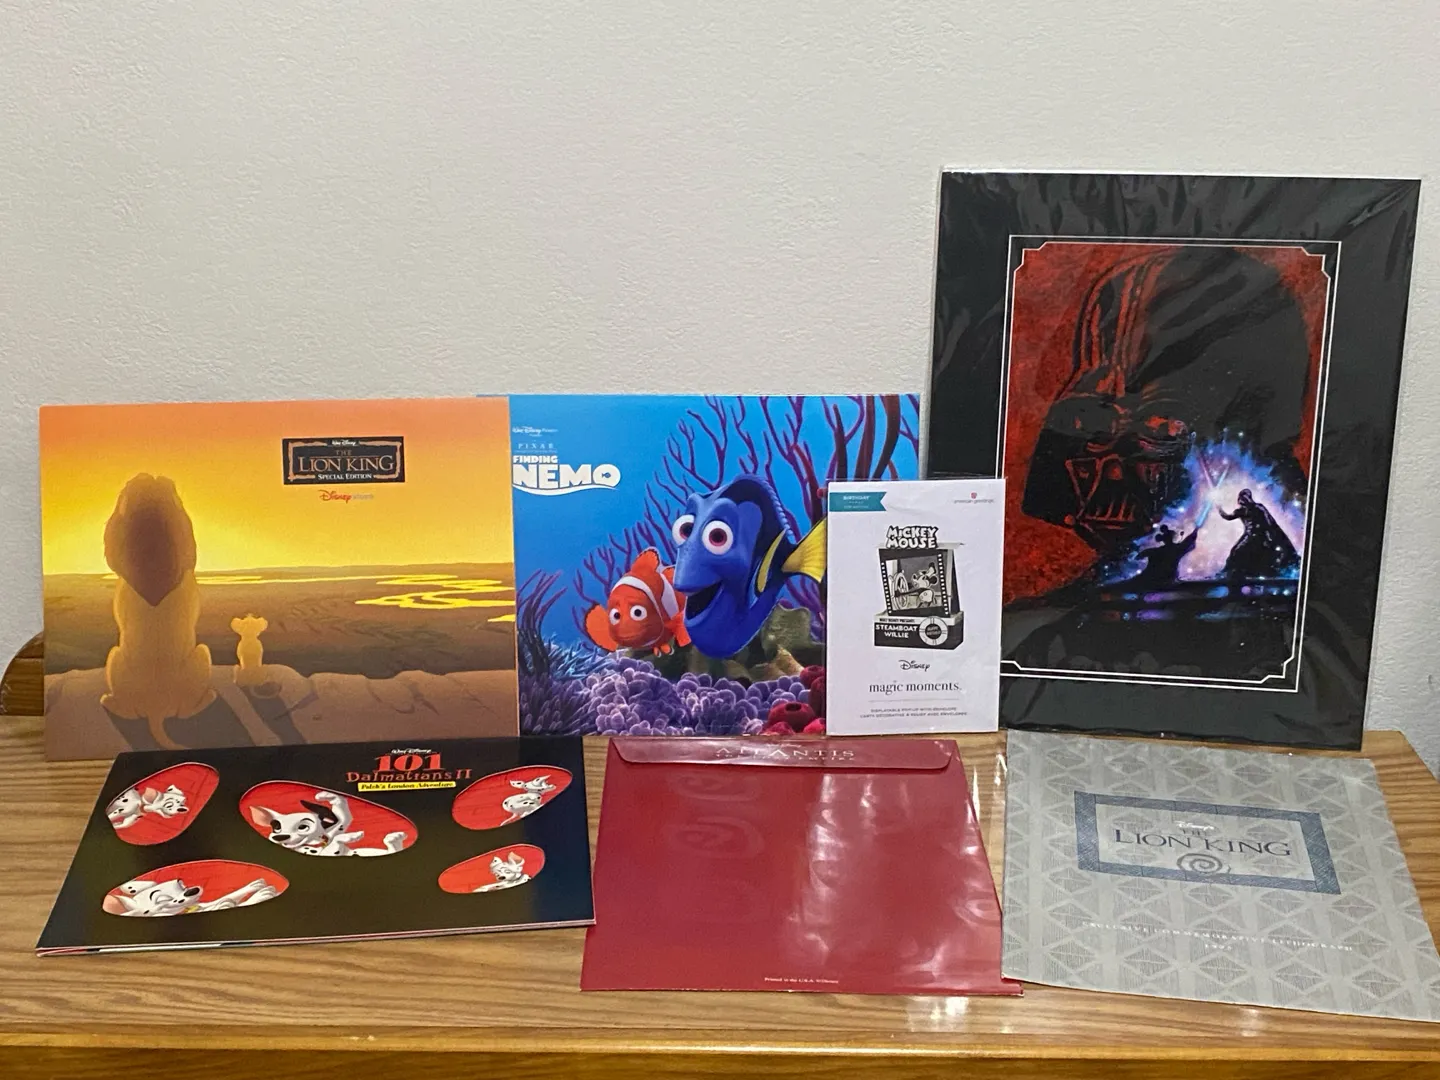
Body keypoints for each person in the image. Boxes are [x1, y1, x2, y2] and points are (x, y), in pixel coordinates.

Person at [1218, 489, 1299, 579]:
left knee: (1261, 553)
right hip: (1249, 535)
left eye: (1246, 497)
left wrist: (1270, 534)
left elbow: (1268, 520)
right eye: (1242, 498)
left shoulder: (1258, 507)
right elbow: (1228, 517)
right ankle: (1232, 572)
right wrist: (1219, 509)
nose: (1244, 500)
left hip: (1260, 535)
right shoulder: (1240, 511)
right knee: (1236, 551)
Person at [1130, 524, 1197, 586]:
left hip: (1158, 580)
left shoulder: (1155, 551)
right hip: (1166, 581)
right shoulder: (1176, 550)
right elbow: (1189, 541)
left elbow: (1138, 557)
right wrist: (1195, 531)